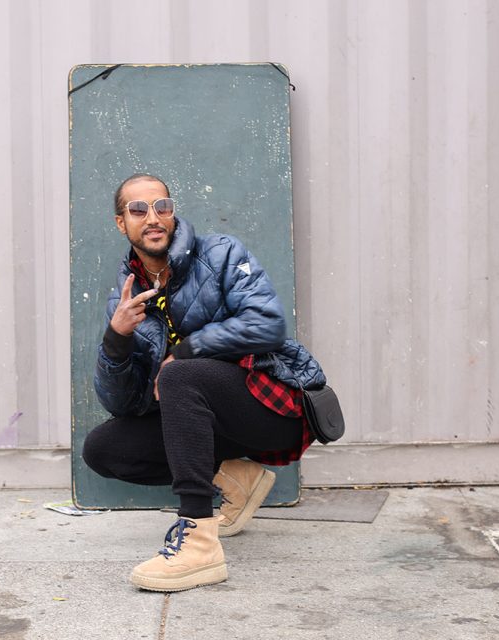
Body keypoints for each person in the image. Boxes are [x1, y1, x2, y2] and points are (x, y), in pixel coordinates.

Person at [82, 173, 326, 592]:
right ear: (121, 223)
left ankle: (199, 542)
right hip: (211, 425)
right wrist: (116, 339)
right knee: (103, 449)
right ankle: (237, 479)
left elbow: (266, 324)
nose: (153, 217)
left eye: (163, 206)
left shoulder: (221, 253)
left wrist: (186, 350)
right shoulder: (125, 296)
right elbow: (125, 406)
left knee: (180, 372)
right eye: (138, 209)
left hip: (272, 404)